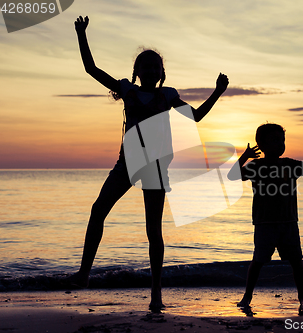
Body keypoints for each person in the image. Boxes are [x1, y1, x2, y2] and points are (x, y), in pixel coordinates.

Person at [65, 16, 229, 312]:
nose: (151, 70)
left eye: (156, 66)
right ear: (137, 71)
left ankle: (156, 293)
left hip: (155, 165)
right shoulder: (127, 89)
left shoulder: (168, 96)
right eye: (146, 66)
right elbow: (91, 69)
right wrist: (81, 34)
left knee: (153, 230)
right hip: (127, 163)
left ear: (161, 72)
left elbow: (196, 117)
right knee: (98, 210)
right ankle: (85, 273)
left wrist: (217, 91)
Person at [229, 124, 303, 313]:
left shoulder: (289, 164)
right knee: (258, 261)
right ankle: (247, 297)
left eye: (282, 140)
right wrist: (245, 156)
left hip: (289, 222)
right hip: (265, 223)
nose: (280, 144)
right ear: (261, 145)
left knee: (297, 261)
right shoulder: (256, 166)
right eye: (274, 140)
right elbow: (232, 175)